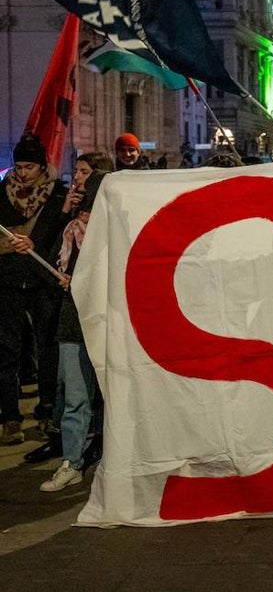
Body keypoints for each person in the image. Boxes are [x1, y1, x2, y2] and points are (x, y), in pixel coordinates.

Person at [24, 151, 114, 464]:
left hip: (98, 310)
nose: (76, 177)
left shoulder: (109, 214)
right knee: (69, 386)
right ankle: (68, 452)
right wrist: (62, 212)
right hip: (66, 309)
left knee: (100, 386)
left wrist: (81, 279)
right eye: (76, 170)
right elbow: (47, 251)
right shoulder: (68, 211)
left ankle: (98, 444)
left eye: (84, 171)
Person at [40, 170, 107, 491]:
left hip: (108, 320)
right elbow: (52, 258)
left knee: (112, 395)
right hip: (74, 322)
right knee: (76, 398)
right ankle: (72, 462)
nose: (77, 192)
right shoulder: (71, 229)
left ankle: (110, 456)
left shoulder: (112, 230)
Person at [0, 135, 69, 444]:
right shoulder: (2, 193)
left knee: (47, 349)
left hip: (44, 280)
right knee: (6, 350)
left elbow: (62, 237)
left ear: (42, 166)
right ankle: (10, 418)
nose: (23, 173)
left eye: (29, 166)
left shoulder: (58, 197)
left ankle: (46, 411)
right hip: (8, 278)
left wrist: (36, 243)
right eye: (18, 166)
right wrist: (9, 242)